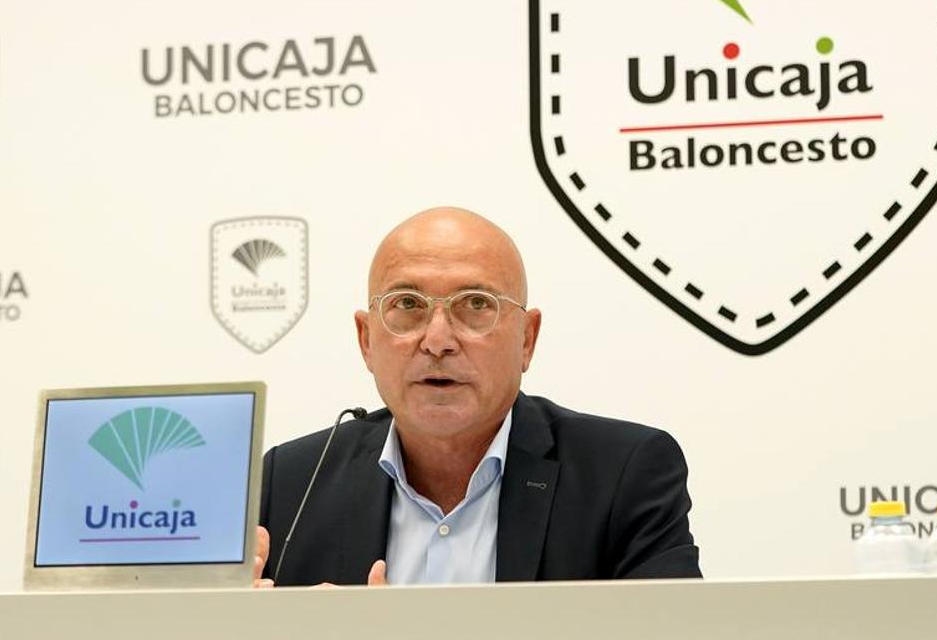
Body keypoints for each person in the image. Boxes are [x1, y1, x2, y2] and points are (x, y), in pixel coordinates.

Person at [255, 207, 700, 586]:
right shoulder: (288, 484)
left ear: (527, 339)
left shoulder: (622, 475)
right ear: (366, 340)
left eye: (475, 304)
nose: (437, 340)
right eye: (407, 304)